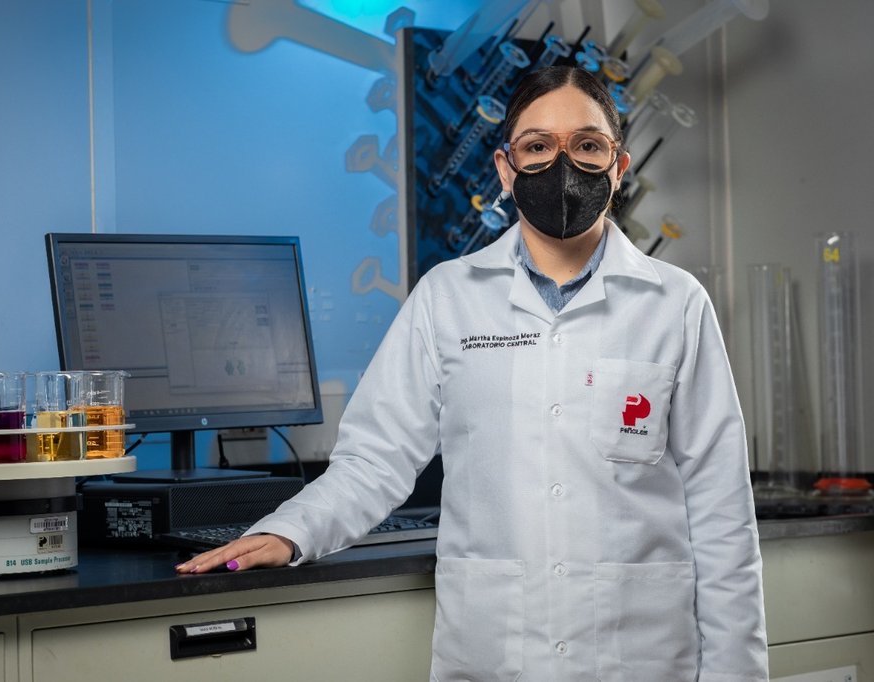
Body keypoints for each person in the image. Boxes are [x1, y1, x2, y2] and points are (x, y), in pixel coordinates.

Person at [175, 65, 769, 681]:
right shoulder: (448, 297)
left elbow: (722, 511)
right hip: (494, 655)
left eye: (587, 145)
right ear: (505, 170)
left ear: (618, 167)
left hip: (640, 660)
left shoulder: (674, 302)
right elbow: (375, 460)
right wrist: (290, 532)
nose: (562, 166)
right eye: (537, 146)